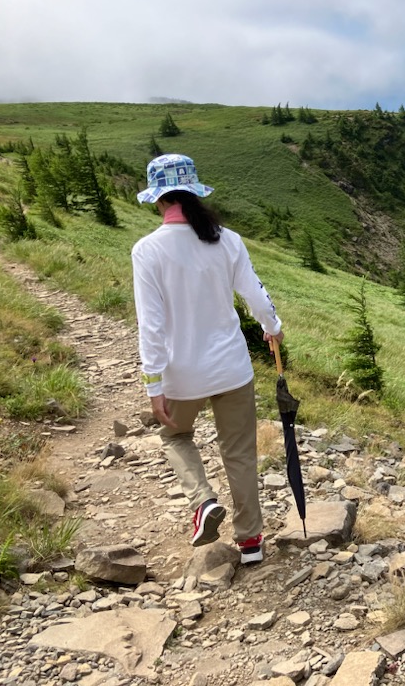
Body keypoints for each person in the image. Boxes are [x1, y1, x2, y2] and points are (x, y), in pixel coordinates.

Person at [131, 153, 283, 564]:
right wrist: (272, 327)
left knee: (175, 436)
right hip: (232, 367)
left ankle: (203, 502)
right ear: (194, 191)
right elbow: (255, 295)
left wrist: (153, 383)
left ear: (159, 199)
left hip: (182, 373)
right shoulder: (226, 239)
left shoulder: (147, 250)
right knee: (240, 453)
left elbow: (151, 325)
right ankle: (250, 542)